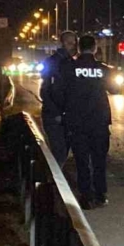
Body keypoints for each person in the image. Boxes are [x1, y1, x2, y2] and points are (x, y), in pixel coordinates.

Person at [57, 34, 112, 210]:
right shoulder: (103, 69)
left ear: (79, 48)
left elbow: (59, 92)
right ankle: (100, 195)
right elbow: (115, 89)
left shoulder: (68, 67)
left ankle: (86, 196)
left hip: (76, 122)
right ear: (95, 48)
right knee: (99, 160)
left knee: (81, 161)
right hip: (99, 121)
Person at [40, 30, 78, 163]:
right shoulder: (52, 62)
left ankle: (55, 174)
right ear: (62, 43)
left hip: (67, 116)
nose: (73, 46)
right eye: (69, 43)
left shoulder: (73, 63)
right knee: (59, 152)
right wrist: (55, 113)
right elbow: (45, 91)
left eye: (74, 43)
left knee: (64, 151)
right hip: (54, 116)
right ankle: (52, 176)